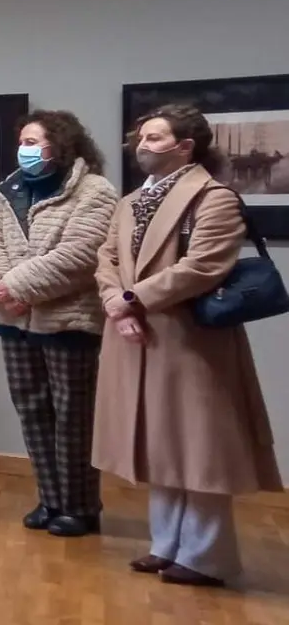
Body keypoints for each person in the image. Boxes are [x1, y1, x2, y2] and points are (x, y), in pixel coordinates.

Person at [93, 103, 282, 588]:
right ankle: (166, 544)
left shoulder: (214, 198)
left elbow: (203, 267)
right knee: (162, 446)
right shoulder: (130, 200)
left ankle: (206, 556)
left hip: (188, 339)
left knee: (199, 449)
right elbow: (106, 257)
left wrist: (132, 301)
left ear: (185, 147)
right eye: (142, 138)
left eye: (155, 138)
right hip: (135, 335)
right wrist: (116, 300)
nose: (143, 146)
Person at [0, 110, 118, 538]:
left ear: (61, 144)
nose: (24, 149)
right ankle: (50, 499)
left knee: (72, 416)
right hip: (13, 321)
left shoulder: (95, 192)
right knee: (33, 411)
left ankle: (80, 506)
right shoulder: (13, 189)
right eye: (22, 141)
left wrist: (16, 286)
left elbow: (80, 255)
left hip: (67, 322)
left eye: (33, 141)